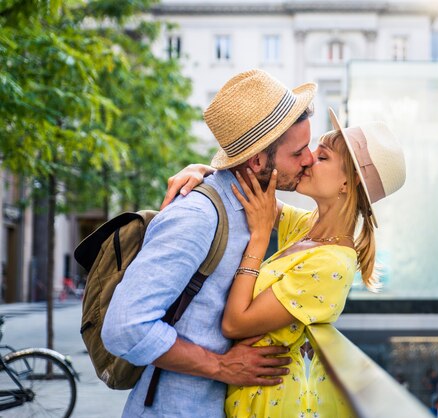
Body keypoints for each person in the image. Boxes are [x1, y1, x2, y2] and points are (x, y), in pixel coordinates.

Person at [101, 69, 318, 417]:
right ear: (258, 161)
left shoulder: (250, 206)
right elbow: (124, 327)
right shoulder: (198, 217)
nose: (308, 159)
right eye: (298, 152)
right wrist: (220, 366)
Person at [164, 109, 406, 417]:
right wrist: (201, 170)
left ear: (348, 183)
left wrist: (260, 238)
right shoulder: (308, 227)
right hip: (247, 395)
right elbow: (247, 187)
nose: (306, 159)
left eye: (322, 157)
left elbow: (234, 322)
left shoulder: (331, 264)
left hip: (267, 405)